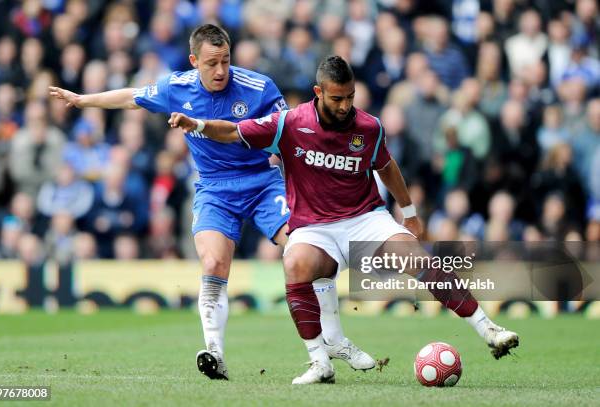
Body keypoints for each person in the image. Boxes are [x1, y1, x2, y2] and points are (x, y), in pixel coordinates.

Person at [168, 56, 520, 385]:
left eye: (350, 97)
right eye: (337, 98)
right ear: (319, 92)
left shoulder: (369, 127)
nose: (345, 106)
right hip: (314, 227)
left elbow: (387, 167)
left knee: (417, 258)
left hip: (365, 218)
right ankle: (320, 362)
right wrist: (197, 124)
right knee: (294, 262)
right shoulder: (289, 123)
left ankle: (489, 329)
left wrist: (409, 212)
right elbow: (233, 132)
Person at [49, 24, 373, 380]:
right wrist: (83, 100)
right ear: (194, 61)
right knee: (214, 261)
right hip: (215, 189)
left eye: (226, 61)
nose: (221, 70)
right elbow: (132, 97)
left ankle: (334, 340)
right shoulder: (177, 86)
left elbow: (289, 132)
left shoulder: (259, 87)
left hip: (263, 184)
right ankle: (214, 352)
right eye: (212, 63)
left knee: (312, 255)